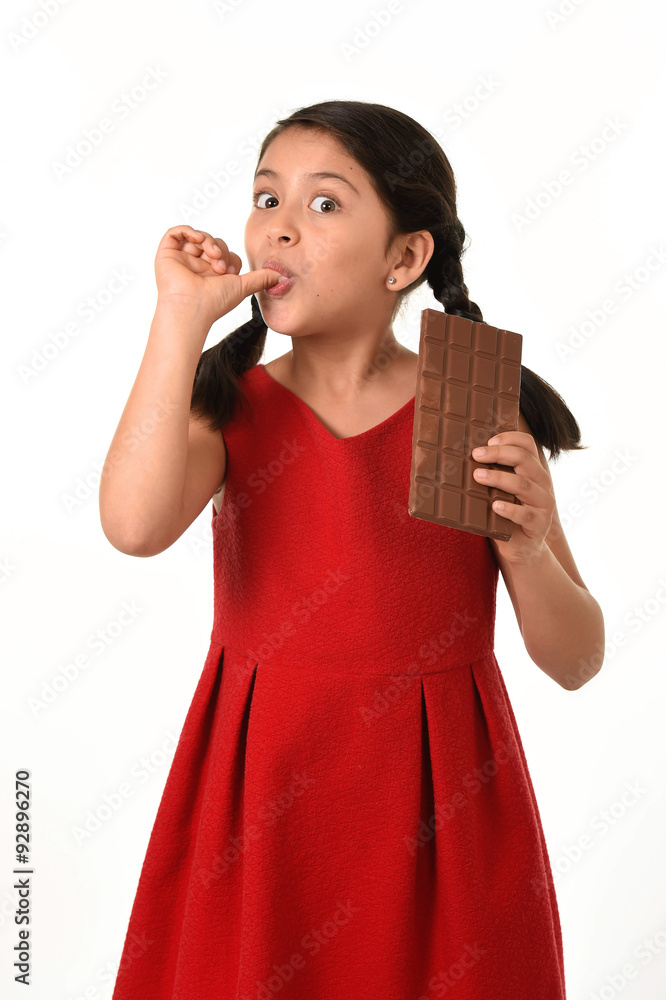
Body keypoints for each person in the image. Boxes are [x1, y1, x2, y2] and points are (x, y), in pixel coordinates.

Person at [100, 99, 605, 1000]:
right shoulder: (231, 406)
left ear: (404, 258)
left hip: (442, 815)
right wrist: (178, 319)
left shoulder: (476, 411)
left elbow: (576, 659)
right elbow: (133, 527)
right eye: (266, 198)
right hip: (262, 801)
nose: (279, 226)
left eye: (324, 203)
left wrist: (526, 547)